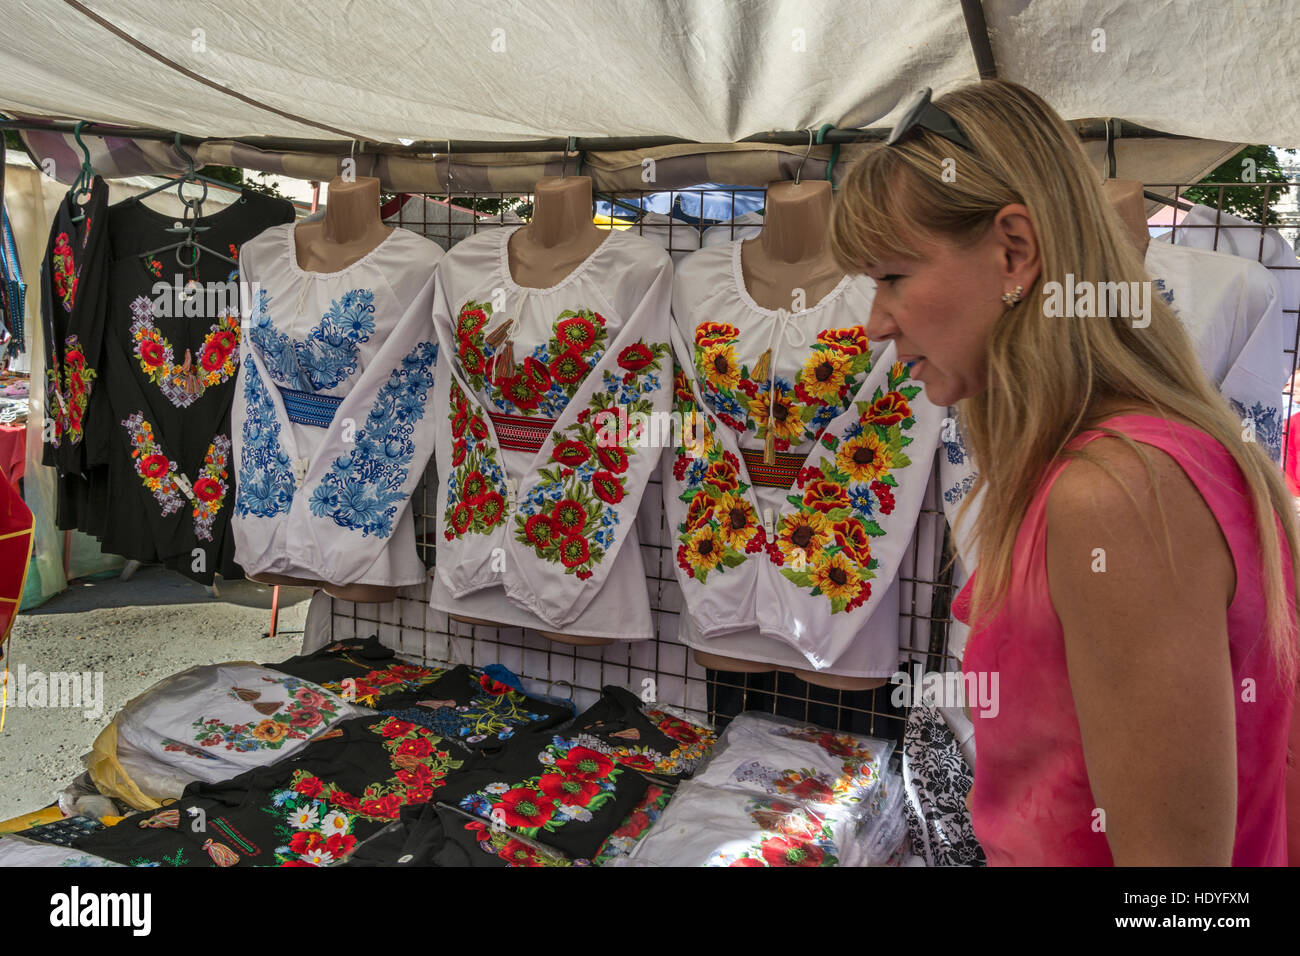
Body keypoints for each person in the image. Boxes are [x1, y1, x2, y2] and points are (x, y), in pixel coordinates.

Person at [828, 79, 1299, 866]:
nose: (875, 323)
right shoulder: (1126, 465)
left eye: (893, 277)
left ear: (1014, 251)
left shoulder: (1115, 492)